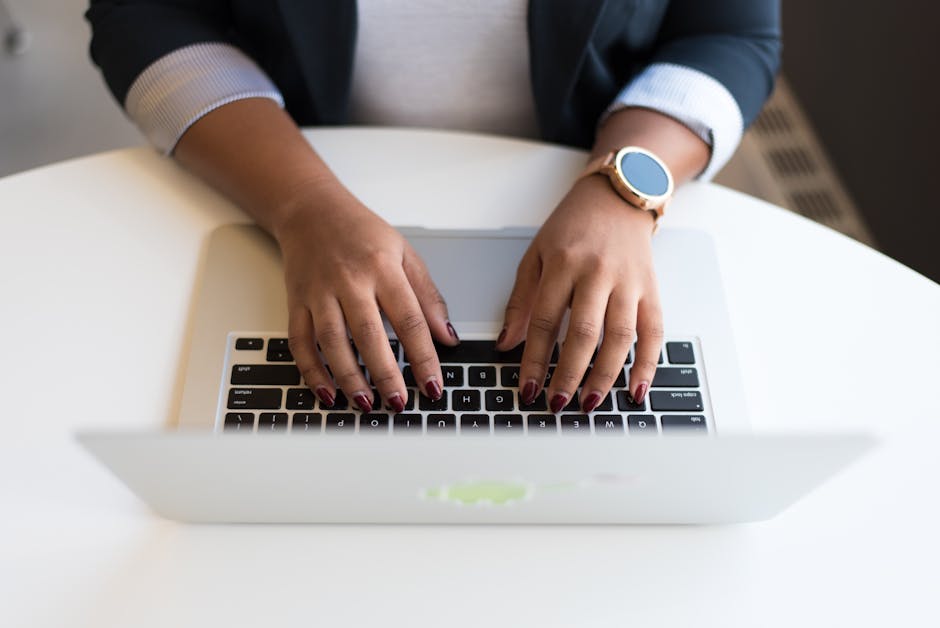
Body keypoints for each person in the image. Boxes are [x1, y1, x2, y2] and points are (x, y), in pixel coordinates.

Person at [86, 0, 780, 416]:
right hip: (280, 158)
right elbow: (141, 13)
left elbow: (729, 31)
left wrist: (624, 192)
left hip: (583, 171)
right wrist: (301, 204)